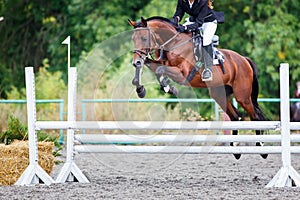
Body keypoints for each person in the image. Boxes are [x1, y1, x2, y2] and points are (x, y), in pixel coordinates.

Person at [172, 0, 221, 81]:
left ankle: (208, 69)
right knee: (179, 34)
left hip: (208, 22)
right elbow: (178, 14)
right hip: (193, 20)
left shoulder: (203, 2)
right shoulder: (182, 0)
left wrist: (185, 28)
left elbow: (199, 23)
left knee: (206, 40)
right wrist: (175, 21)